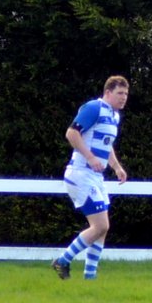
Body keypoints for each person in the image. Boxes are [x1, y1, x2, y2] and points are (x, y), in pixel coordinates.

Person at [51, 75, 130, 281]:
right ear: (108, 92)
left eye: (126, 93)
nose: (124, 97)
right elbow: (72, 133)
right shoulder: (94, 108)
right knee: (101, 225)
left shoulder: (114, 116)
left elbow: (106, 144)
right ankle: (62, 261)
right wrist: (90, 157)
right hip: (81, 173)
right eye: (120, 93)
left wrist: (116, 167)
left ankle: (90, 277)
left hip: (95, 176)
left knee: (102, 229)